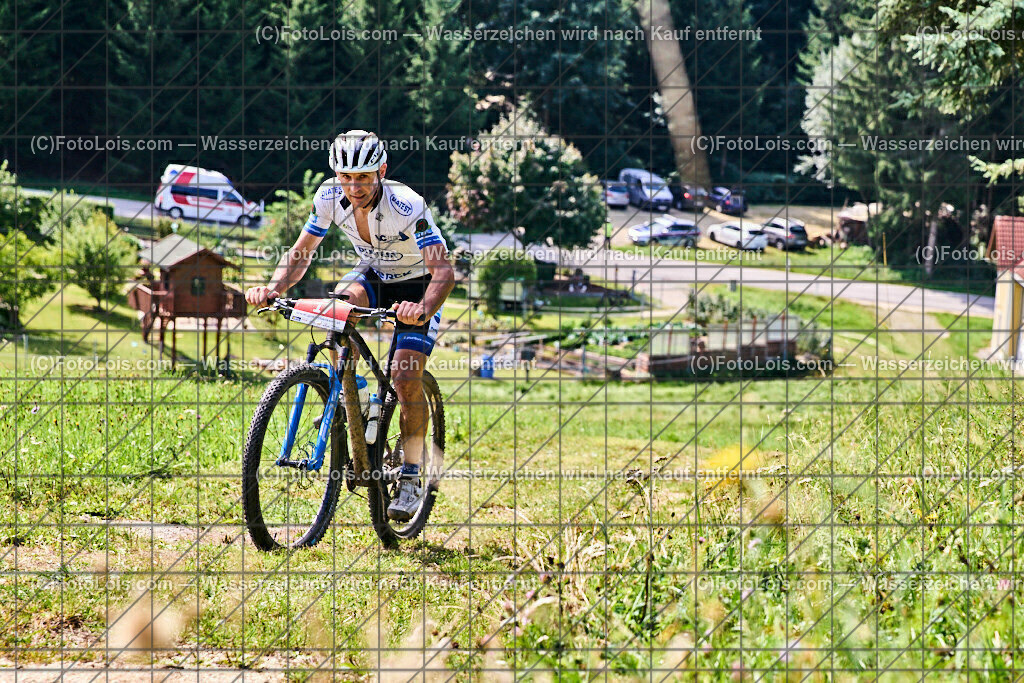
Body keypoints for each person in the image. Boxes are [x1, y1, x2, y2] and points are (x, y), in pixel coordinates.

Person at [245, 130, 454, 521]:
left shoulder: (407, 205)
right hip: (374, 274)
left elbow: (444, 271)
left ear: (381, 172)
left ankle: (411, 474)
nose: (354, 187)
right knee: (338, 308)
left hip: (420, 284)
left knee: (404, 376)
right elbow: (301, 253)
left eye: (363, 177)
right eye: (346, 177)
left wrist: (423, 309)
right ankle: (351, 396)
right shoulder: (327, 197)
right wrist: (274, 288)